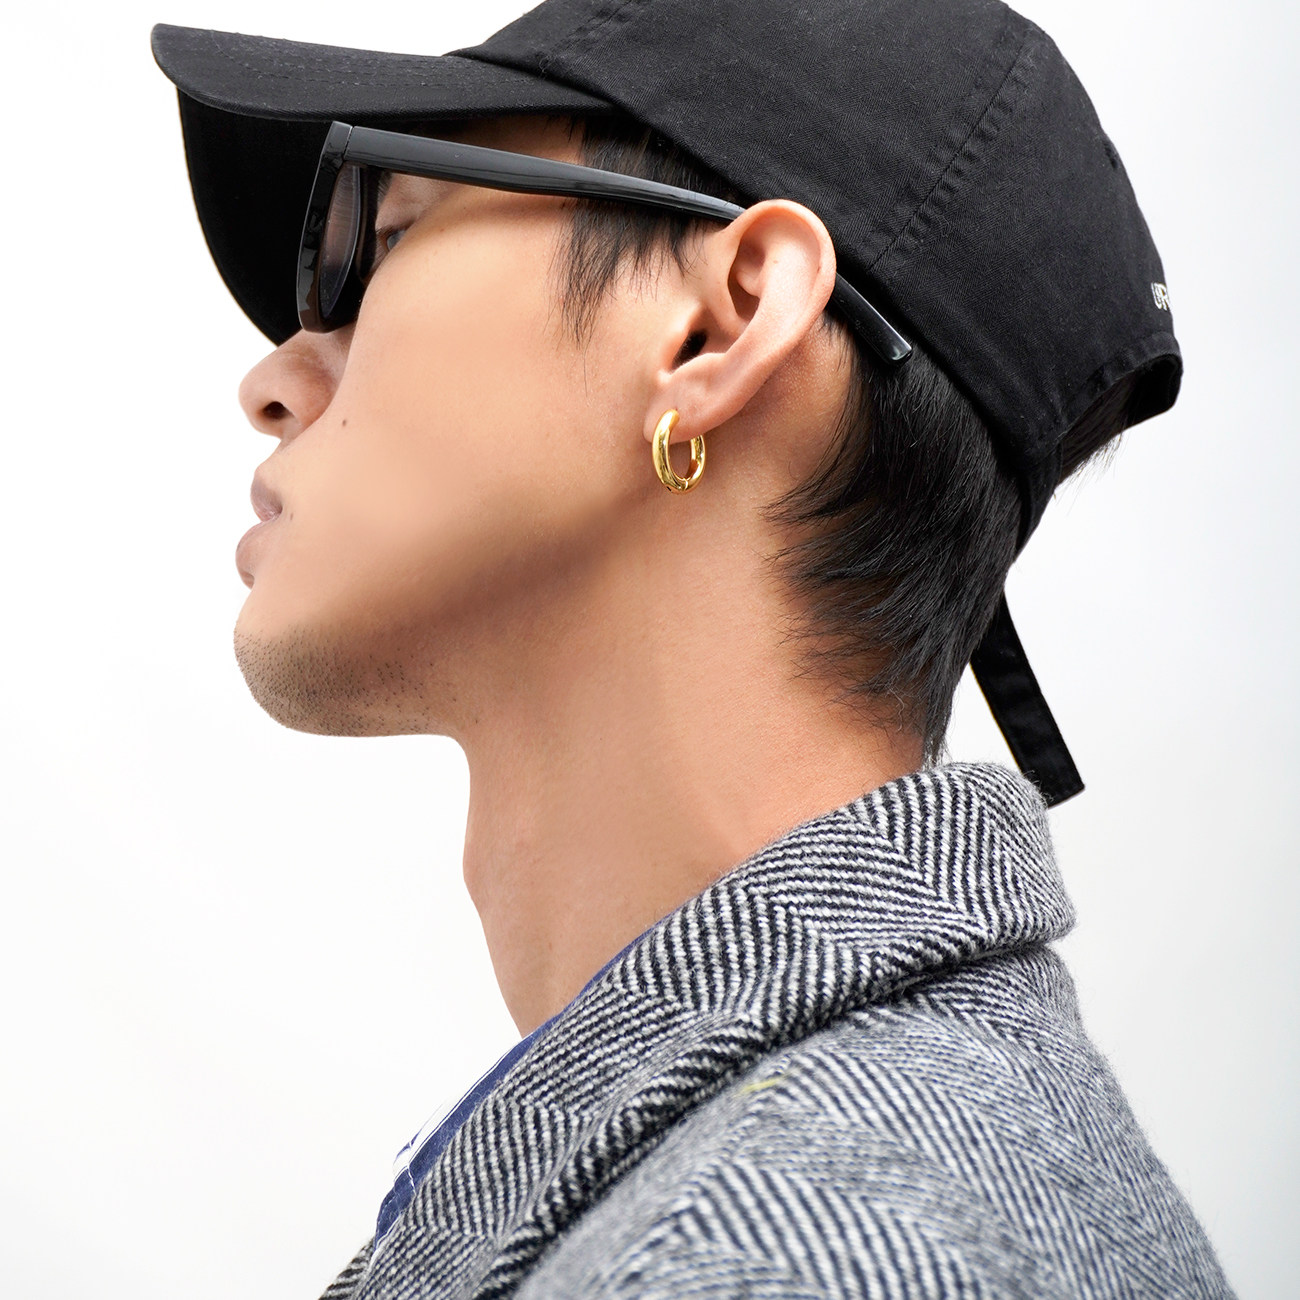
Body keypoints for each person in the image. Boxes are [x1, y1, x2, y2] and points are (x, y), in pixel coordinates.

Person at [151, 0, 1234, 1295]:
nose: (274, 379)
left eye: (380, 245)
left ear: (721, 326)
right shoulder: (921, 1163)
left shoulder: (763, 1260)